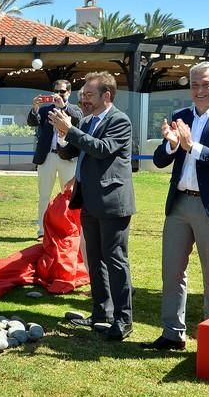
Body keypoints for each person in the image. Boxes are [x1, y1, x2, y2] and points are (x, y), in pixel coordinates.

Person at [143, 61, 209, 351]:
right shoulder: (180, 115)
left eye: (206, 84)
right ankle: (172, 334)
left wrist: (193, 147)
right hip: (180, 204)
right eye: (194, 84)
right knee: (172, 271)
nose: (199, 90)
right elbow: (159, 160)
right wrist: (171, 144)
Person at [51, 71, 136, 341]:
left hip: (112, 203)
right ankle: (101, 313)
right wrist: (62, 135)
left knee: (115, 261)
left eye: (89, 95)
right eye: (82, 95)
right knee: (96, 261)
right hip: (88, 200)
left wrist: (71, 130)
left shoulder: (119, 120)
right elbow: (69, 152)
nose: (84, 100)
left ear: (106, 95)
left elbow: (101, 149)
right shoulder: (87, 121)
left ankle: (124, 319)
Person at [28, 79, 83, 240]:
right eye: (57, 91)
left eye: (63, 91)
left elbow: (78, 119)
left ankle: (69, 229)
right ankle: (42, 231)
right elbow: (32, 122)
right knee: (44, 195)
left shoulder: (74, 110)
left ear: (69, 93)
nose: (59, 95)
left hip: (67, 157)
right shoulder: (46, 110)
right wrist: (35, 108)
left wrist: (63, 108)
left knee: (69, 195)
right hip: (48, 157)